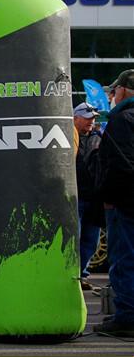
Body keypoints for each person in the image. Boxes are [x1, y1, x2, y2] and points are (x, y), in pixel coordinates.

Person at [93, 70, 134, 338]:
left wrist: (108, 196)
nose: (111, 96)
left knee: (125, 258)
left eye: (114, 90)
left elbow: (121, 165)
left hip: (126, 203)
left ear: (123, 91)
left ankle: (128, 317)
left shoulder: (122, 119)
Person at [73, 103, 102, 290]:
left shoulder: (98, 137)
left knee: (91, 240)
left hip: (94, 197)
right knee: (75, 239)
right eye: (87, 117)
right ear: (75, 118)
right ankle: (73, 276)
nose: (92, 121)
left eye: (93, 117)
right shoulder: (67, 137)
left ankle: (81, 275)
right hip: (75, 197)